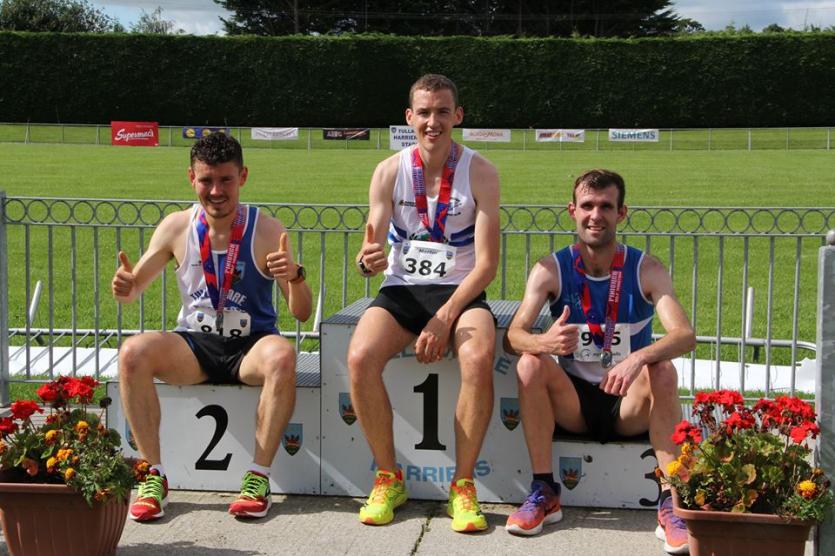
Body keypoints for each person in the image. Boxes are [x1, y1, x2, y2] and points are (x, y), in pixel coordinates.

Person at [111, 132, 311, 522]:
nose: (216, 191)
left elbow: (301, 313)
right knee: (132, 352)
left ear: (243, 177)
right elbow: (133, 288)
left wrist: (297, 278)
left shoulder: (267, 230)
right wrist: (125, 285)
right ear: (191, 178)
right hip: (195, 346)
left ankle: (258, 477)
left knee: (283, 355)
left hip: (251, 345)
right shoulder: (177, 226)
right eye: (206, 180)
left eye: (225, 180)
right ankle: (153, 475)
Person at [503, 169, 695, 554]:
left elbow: (683, 335)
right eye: (587, 206)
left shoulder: (646, 268)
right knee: (529, 363)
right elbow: (514, 335)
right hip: (574, 402)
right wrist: (545, 341)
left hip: (628, 403)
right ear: (572, 210)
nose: (596, 215)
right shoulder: (551, 268)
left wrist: (637, 358)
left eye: (606, 206)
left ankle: (672, 502)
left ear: (622, 213)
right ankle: (544, 490)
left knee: (662, 368)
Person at [347, 74, 500, 533]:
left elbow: (487, 264)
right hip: (401, 290)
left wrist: (443, 316)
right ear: (409, 117)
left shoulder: (481, 171)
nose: (433, 122)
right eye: (424, 112)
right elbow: (370, 244)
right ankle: (388, 476)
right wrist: (366, 261)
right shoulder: (388, 171)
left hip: (461, 291)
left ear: (458, 116)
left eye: (442, 112)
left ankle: (463, 485)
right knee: (358, 357)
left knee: (478, 355)